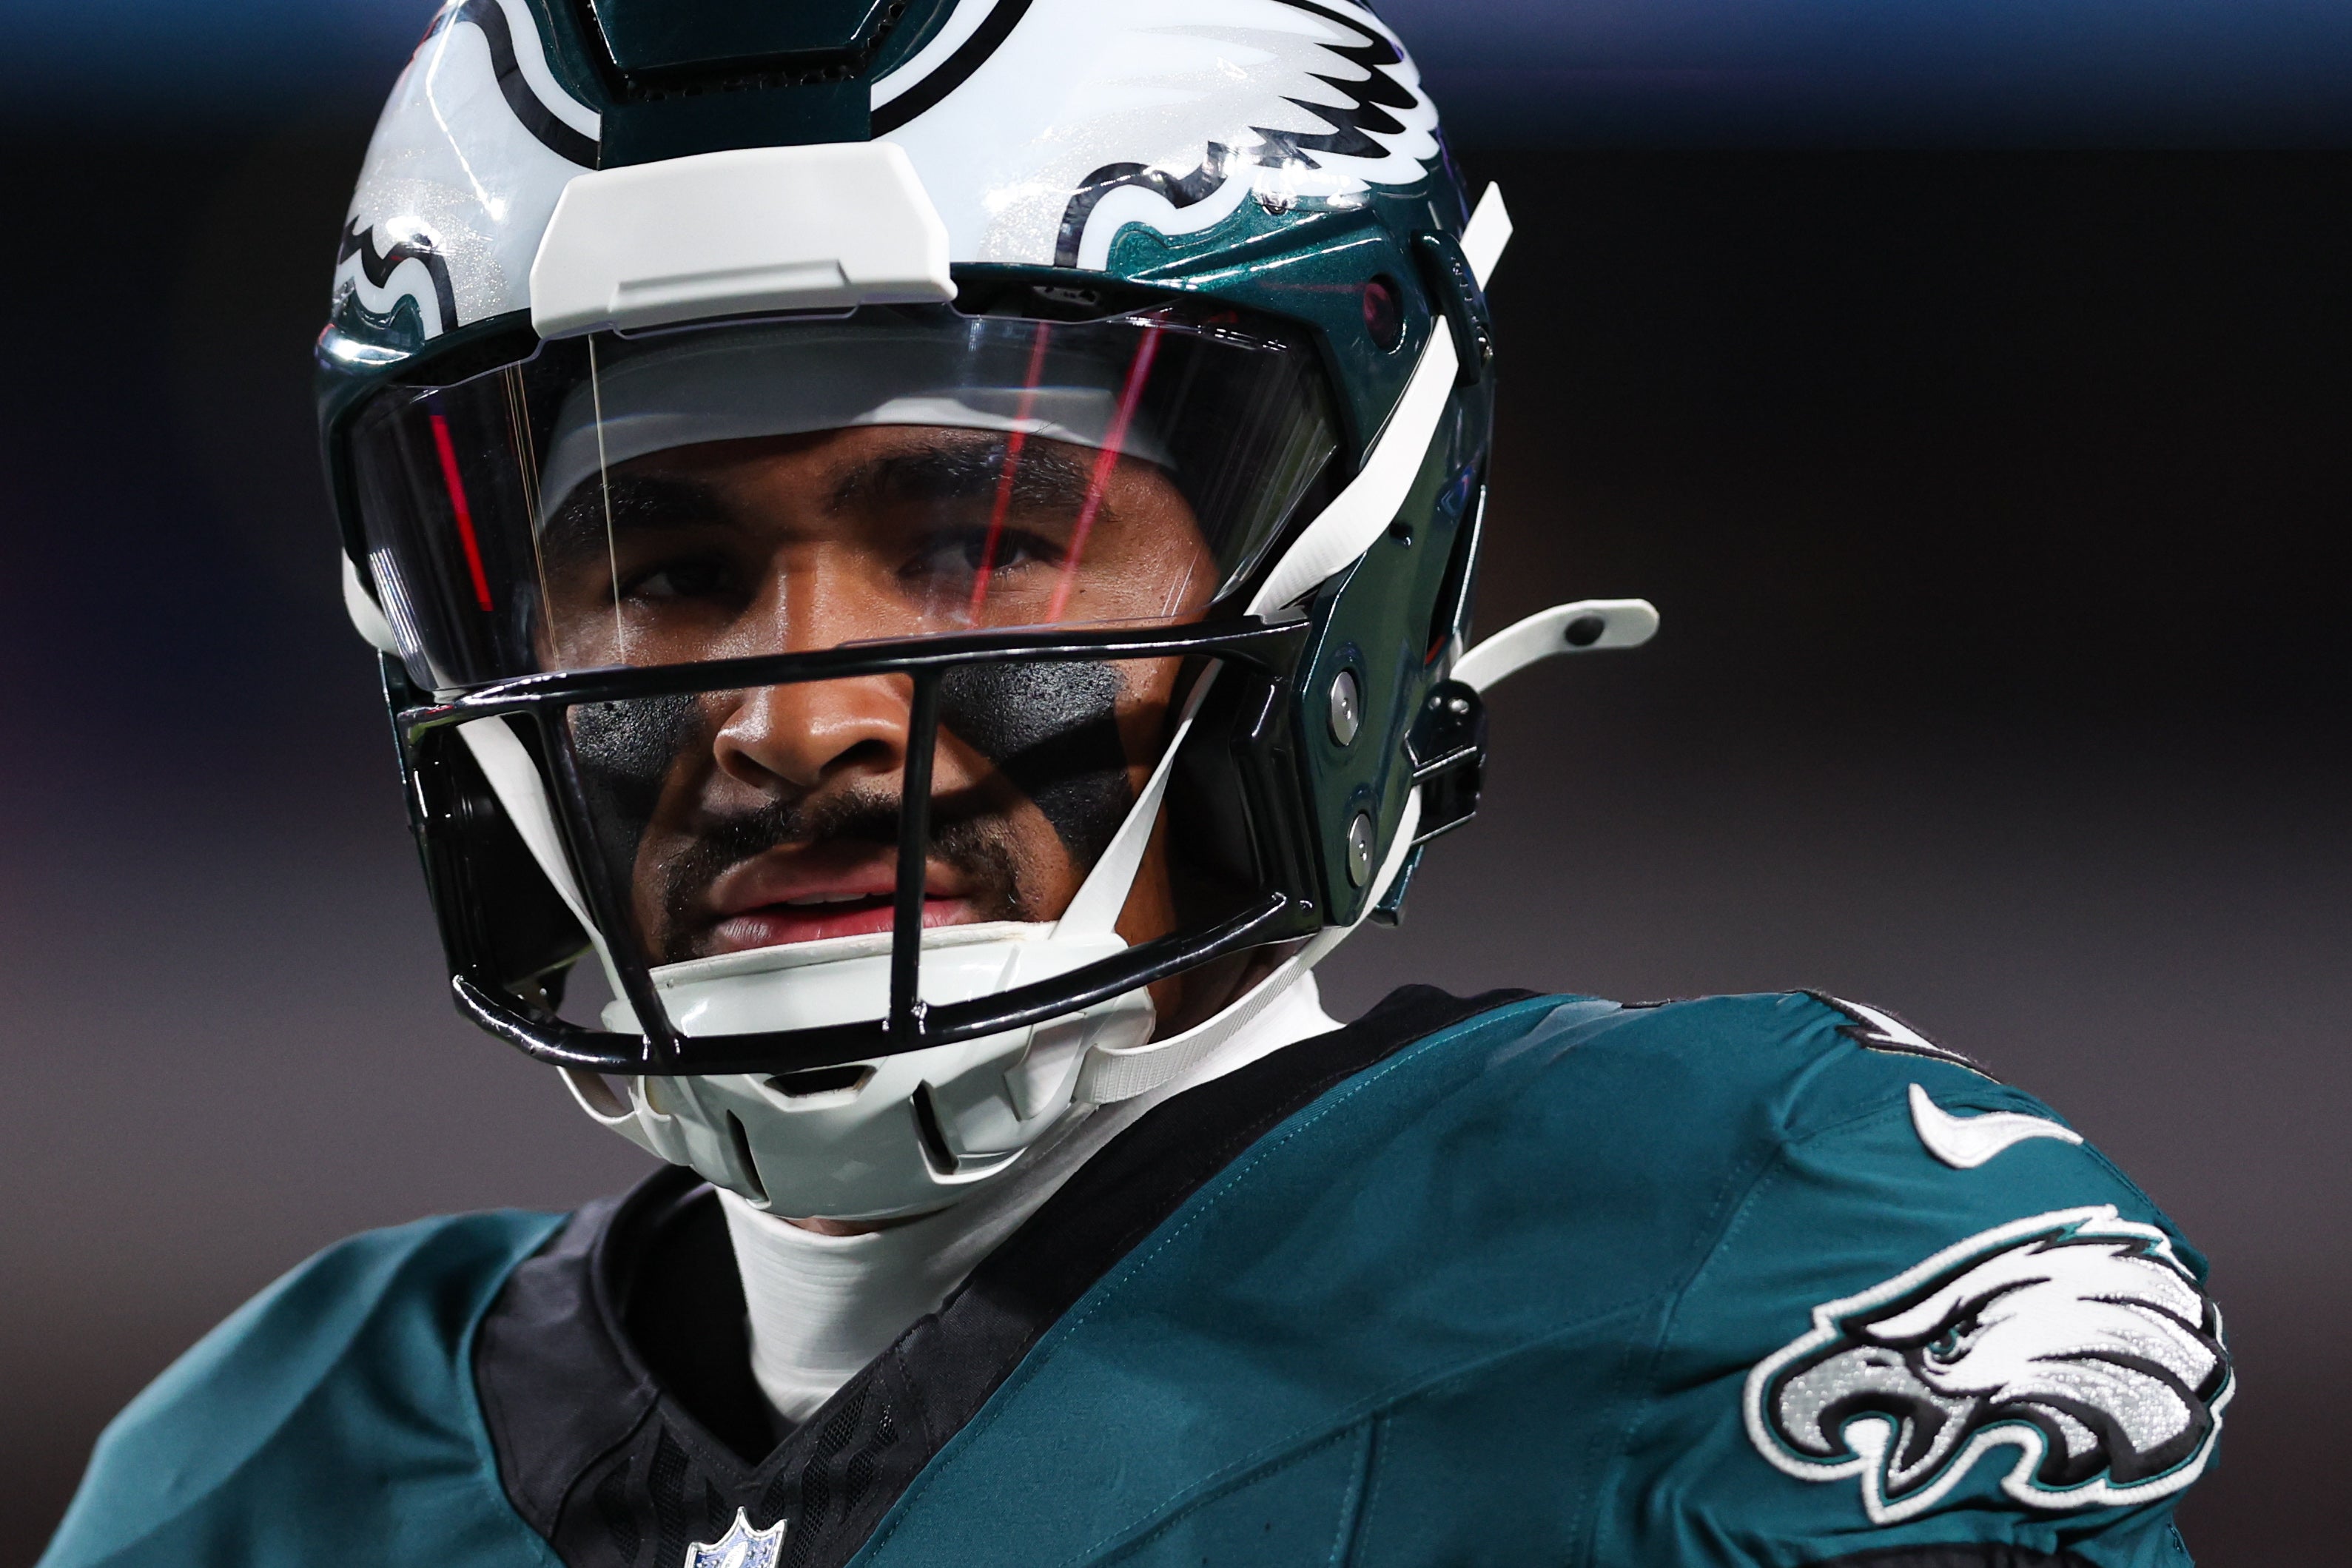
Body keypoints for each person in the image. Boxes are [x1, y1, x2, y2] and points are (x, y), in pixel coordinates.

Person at [41, 3, 2228, 1564]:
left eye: (976, 539)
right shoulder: (266, 1465)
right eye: (674, 575)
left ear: (1342, 576)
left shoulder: (1715, 1261)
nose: (796, 724)